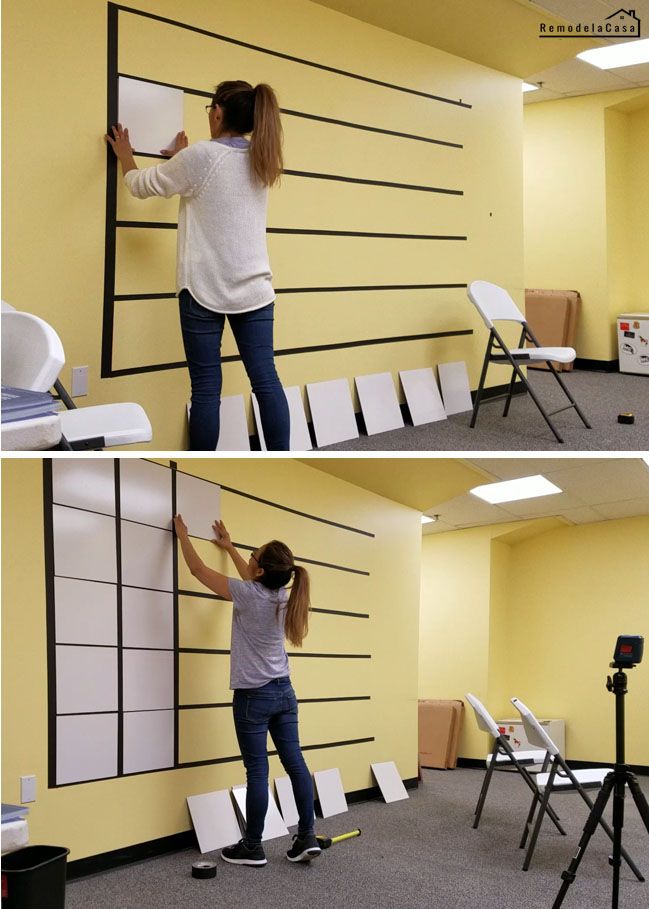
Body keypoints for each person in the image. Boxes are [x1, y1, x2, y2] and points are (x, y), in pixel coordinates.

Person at [104, 80, 290, 451]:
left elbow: (140, 186)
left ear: (218, 112)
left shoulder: (201, 157)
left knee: (206, 390)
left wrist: (125, 154)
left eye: (209, 109)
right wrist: (179, 159)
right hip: (256, 290)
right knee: (266, 382)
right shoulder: (261, 157)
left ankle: (200, 458)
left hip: (202, 291)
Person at [173, 514, 320, 866]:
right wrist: (231, 547)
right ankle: (306, 836)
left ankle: (252, 846)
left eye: (254, 554)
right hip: (284, 692)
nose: (249, 558)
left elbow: (197, 571)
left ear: (259, 570)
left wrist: (182, 536)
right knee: (295, 763)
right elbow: (251, 577)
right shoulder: (285, 595)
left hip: (253, 697)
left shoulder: (249, 593)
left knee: (257, 771)